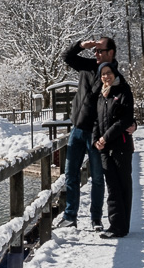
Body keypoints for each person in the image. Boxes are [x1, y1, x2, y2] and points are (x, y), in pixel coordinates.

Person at [58, 36, 116, 230]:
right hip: (77, 129)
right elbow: (67, 56)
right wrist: (82, 45)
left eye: (101, 50)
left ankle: (96, 218)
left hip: (96, 132)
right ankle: (70, 216)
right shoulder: (87, 66)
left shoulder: (113, 75)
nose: (97, 54)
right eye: (96, 51)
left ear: (111, 53)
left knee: (98, 178)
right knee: (70, 175)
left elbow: (121, 103)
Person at [93, 60, 136, 237]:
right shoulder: (101, 95)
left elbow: (125, 120)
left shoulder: (123, 91)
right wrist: (96, 139)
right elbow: (96, 120)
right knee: (112, 187)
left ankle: (120, 226)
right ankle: (116, 225)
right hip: (105, 148)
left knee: (123, 185)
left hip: (121, 147)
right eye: (103, 74)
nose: (106, 76)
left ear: (115, 73)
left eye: (109, 73)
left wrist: (105, 137)